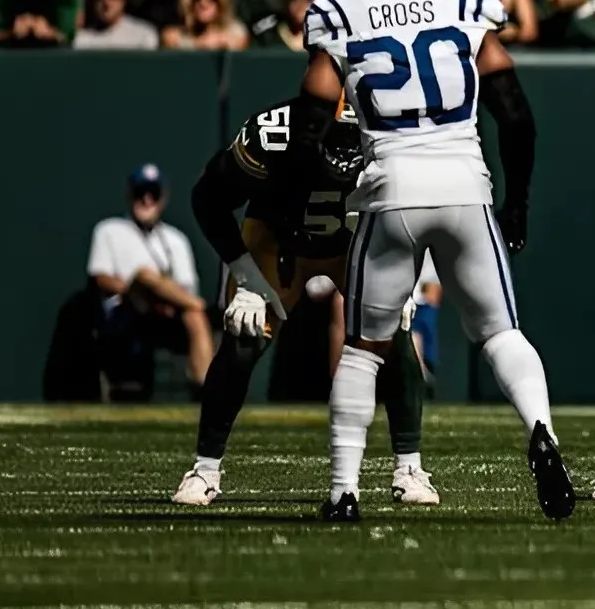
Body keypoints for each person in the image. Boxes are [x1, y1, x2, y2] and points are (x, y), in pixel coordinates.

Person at [295, 0, 569, 524]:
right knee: (502, 333)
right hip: (464, 185)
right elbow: (517, 118)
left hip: (390, 190)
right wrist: (518, 202)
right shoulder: (466, 2)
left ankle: (343, 489)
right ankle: (541, 430)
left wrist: (331, 180)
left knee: (365, 348)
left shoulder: (340, 12)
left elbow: (310, 130)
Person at [177, 98, 434, 508]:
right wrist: (244, 276)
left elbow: (415, 213)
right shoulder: (272, 135)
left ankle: (410, 466)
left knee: (395, 330)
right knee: (243, 337)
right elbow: (207, 198)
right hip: (280, 242)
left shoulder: (393, 132)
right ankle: (205, 468)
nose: (348, 153)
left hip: (353, 242)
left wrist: (404, 278)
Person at [86, 164, 212, 399]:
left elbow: (186, 286)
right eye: (140, 193)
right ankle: (198, 305)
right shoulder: (109, 230)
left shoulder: (176, 239)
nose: (146, 200)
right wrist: (147, 289)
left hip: (167, 314)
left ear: (162, 198)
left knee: (195, 314)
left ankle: (205, 390)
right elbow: (100, 277)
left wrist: (167, 297)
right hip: (124, 311)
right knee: (146, 275)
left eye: (152, 193)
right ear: (129, 195)